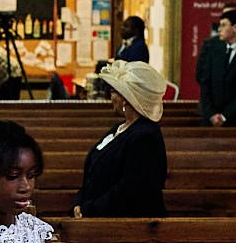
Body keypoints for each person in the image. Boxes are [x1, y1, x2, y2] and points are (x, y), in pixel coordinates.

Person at [72, 60, 168, 218]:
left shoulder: (145, 136)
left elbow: (131, 190)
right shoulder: (121, 128)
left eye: (114, 91)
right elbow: (94, 170)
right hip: (97, 216)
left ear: (126, 98)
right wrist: (79, 201)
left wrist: (89, 209)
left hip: (126, 227)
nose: (111, 96)